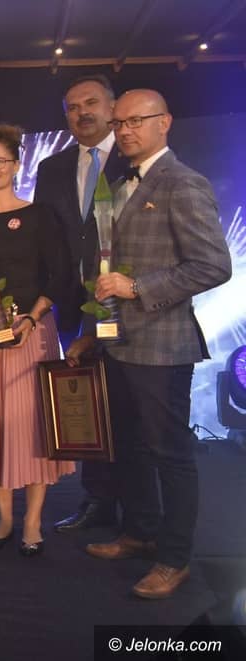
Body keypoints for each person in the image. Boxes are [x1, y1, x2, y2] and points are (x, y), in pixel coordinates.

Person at [72, 89, 231, 599]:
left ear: (165, 122)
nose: (125, 130)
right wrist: (91, 334)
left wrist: (137, 287)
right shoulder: (120, 182)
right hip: (116, 344)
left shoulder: (183, 183)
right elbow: (105, 268)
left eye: (136, 121)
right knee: (130, 448)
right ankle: (139, 533)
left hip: (163, 347)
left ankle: (174, 558)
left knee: (171, 455)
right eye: (119, 123)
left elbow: (213, 265)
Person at [0, 124, 75, 557]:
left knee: (32, 424)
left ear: (17, 164)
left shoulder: (40, 215)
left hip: (31, 330)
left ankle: (33, 521)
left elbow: (60, 275)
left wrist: (32, 318)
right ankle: (4, 518)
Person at [34, 75, 129, 533]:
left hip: (130, 305)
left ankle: (141, 510)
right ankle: (98, 500)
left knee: (132, 408)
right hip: (74, 308)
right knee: (91, 406)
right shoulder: (52, 169)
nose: (82, 112)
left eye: (91, 103)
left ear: (113, 107)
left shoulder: (134, 158)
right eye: (72, 107)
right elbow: (44, 240)